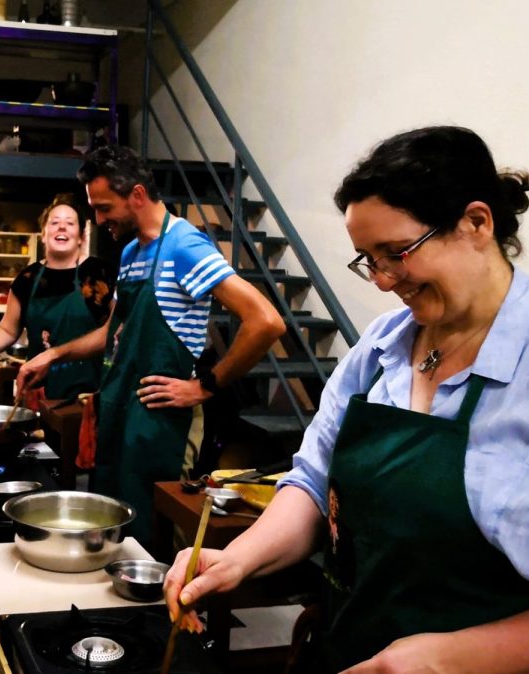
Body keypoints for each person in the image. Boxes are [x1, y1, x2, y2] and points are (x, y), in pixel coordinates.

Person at [163, 126, 529, 673]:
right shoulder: (380, 350)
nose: (382, 281)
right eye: (368, 259)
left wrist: (441, 659)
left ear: (476, 223)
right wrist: (236, 560)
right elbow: (313, 483)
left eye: (396, 253)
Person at [17, 146, 285, 545]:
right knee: (114, 527)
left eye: (105, 208)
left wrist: (204, 386)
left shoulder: (185, 247)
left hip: (162, 425)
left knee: (154, 537)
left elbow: (266, 322)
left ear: (138, 196)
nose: (99, 219)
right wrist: (54, 355)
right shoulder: (131, 252)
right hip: (122, 412)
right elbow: (115, 331)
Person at [0, 193, 115, 402]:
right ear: (43, 233)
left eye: (70, 223)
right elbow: (7, 329)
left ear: (81, 237)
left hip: (90, 394)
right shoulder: (27, 279)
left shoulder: (100, 274)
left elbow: (112, 331)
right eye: (54, 223)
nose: (62, 227)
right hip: (39, 391)